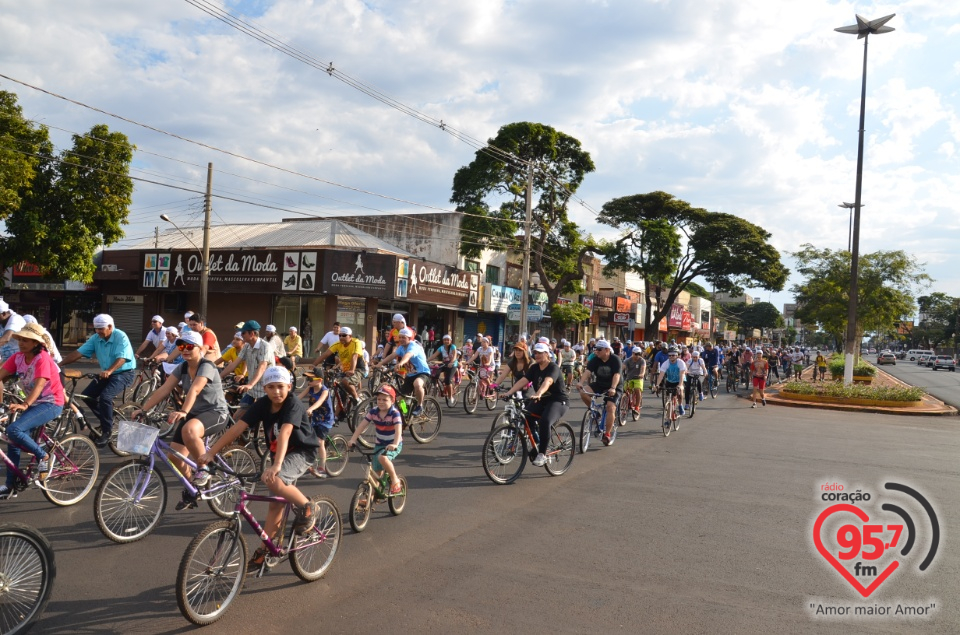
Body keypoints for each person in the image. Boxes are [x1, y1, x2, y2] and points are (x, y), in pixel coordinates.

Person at [198, 366, 321, 570]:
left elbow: (285, 433)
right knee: (275, 504)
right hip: (279, 453)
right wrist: (212, 453)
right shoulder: (263, 404)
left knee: (276, 479)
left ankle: (309, 506)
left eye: (281, 387)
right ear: (264, 388)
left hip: (301, 452)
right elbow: (237, 428)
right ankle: (268, 548)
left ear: (289, 387)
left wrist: (277, 466)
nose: (276, 392)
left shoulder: (293, 404)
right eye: (271, 387)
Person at [137, 330, 230, 510]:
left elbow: (195, 389)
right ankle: (192, 488)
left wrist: (183, 411)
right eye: (181, 346)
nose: (184, 350)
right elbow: (164, 389)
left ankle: (205, 467)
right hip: (195, 414)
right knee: (175, 458)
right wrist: (143, 409)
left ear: (199, 348)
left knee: (189, 430)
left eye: (189, 346)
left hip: (216, 412)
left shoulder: (207, 365)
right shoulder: (183, 368)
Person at [0, 323, 64, 499]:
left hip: (51, 402)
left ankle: (43, 456)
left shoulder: (42, 358)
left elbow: (40, 385)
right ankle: (10, 485)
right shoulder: (17, 357)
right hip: (36, 403)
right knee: (13, 440)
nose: (21, 342)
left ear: (36, 342)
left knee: (14, 430)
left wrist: (25, 404)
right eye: (20, 339)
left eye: (26, 340)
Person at [60, 314, 136, 448]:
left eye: (101, 329)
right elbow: (78, 353)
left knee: (105, 397)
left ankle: (107, 431)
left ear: (110, 327)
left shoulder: (120, 336)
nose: (98, 331)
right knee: (88, 396)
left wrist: (110, 370)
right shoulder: (96, 338)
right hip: (107, 373)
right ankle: (107, 418)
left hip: (123, 373)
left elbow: (122, 358)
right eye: (96, 329)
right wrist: (59, 364)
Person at [500, 342, 568, 466]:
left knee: (545, 421)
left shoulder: (553, 367)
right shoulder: (534, 368)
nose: (537, 355)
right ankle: (538, 442)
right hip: (542, 399)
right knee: (526, 416)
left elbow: (547, 382)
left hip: (558, 400)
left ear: (547, 354)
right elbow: (524, 380)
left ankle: (542, 454)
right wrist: (509, 393)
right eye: (535, 353)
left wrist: (539, 393)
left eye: (540, 353)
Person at [348, 383, 403, 495]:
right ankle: (371, 498)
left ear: (392, 401)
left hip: (393, 444)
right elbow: (362, 425)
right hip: (380, 444)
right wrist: (353, 439)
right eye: (379, 399)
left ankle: (395, 480)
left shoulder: (394, 413)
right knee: (376, 473)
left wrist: (395, 444)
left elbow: (398, 430)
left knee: (383, 458)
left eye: (384, 399)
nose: (381, 402)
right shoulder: (374, 412)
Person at [219, 320, 275, 421]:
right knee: (236, 418)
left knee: (265, 420)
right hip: (252, 390)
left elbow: (262, 367)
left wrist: (250, 384)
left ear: (252, 333)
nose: (241, 335)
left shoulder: (265, 346)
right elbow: (234, 364)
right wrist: (219, 377)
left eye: (243, 333)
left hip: (266, 390)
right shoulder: (247, 347)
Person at [375, 328, 431, 416]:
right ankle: (405, 413)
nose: (401, 339)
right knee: (400, 398)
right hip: (411, 375)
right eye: (400, 337)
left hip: (422, 372)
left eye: (403, 337)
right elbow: (392, 355)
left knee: (417, 384)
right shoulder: (401, 347)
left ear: (409, 338)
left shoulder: (413, 346)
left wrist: (401, 363)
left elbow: (408, 355)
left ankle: (420, 406)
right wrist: (380, 363)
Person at [577, 339, 622, 444]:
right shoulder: (595, 360)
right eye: (595, 349)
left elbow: (617, 375)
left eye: (599, 350)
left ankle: (607, 434)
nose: (596, 352)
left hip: (614, 385)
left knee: (610, 407)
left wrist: (613, 388)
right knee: (583, 392)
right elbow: (588, 372)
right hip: (600, 384)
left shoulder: (615, 359)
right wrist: (580, 382)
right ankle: (595, 412)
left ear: (607, 350)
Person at [313, 325, 364, 403]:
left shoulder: (356, 342)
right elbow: (326, 354)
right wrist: (314, 365)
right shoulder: (338, 344)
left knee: (345, 381)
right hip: (345, 369)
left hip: (358, 368)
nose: (341, 337)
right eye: (340, 335)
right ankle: (339, 413)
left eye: (344, 335)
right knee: (339, 390)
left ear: (350, 336)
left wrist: (352, 370)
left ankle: (357, 399)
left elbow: (355, 356)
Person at [299, 369, 334, 478]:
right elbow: (297, 398)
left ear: (319, 380)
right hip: (315, 418)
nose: (308, 381)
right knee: (308, 441)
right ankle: (308, 465)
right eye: (307, 378)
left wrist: (310, 409)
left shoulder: (325, 391)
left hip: (326, 419)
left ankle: (322, 468)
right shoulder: (310, 388)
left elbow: (319, 402)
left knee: (319, 442)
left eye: (310, 379)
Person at [427, 334, 459, 402]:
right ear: (443, 341)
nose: (446, 341)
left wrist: (452, 362)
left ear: (450, 341)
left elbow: (455, 355)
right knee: (434, 374)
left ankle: (450, 397)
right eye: (444, 340)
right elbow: (434, 355)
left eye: (448, 340)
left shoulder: (453, 347)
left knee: (447, 380)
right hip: (444, 364)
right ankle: (436, 387)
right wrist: (426, 361)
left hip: (452, 364)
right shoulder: (441, 348)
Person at [655, 347, 687, 415]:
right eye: (669, 355)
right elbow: (661, 375)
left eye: (673, 355)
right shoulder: (666, 363)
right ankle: (668, 419)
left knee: (680, 393)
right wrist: (657, 385)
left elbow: (682, 374)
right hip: (670, 381)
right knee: (670, 399)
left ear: (677, 355)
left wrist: (680, 385)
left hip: (679, 380)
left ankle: (680, 405)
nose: (671, 357)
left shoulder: (681, 363)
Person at [623, 346, 646, 415]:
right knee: (625, 391)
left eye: (639, 354)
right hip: (629, 378)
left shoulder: (642, 360)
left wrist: (642, 374)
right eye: (636, 354)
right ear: (632, 353)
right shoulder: (628, 360)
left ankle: (637, 406)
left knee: (637, 389)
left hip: (638, 379)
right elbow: (622, 367)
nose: (637, 356)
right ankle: (624, 406)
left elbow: (643, 369)